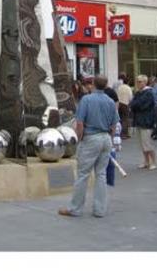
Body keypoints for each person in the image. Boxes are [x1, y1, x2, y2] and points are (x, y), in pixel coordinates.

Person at [58, 73, 119, 218]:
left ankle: (75, 208)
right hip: (105, 138)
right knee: (101, 174)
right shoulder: (110, 101)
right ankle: (99, 210)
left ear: (92, 84)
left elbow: (80, 123)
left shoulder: (87, 99)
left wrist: (79, 139)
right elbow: (114, 124)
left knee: (83, 175)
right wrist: (108, 139)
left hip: (91, 137)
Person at [130, 74, 157, 170]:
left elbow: (141, 106)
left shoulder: (149, 93)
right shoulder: (138, 93)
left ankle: (153, 162)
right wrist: (135, 104)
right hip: (139, 120)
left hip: (147, 121)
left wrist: (135, 104)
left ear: (145, 82)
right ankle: (146, 161)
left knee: (147, 143)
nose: (138, 83)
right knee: (142, 144)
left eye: (140, 81)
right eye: (137, 81)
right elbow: (132, 104)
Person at [116, 74, 133, 139]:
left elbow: (117, 95)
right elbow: (130, 97)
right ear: (128, 82)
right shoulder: (128, 88)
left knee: (120, 118)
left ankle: (120, 133)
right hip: (125, 104)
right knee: (125, 119)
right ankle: (124, 134)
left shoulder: (119, 87)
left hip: (119, 104)